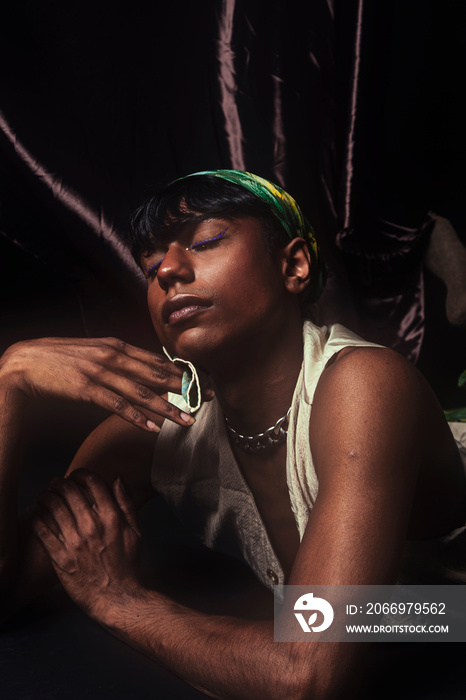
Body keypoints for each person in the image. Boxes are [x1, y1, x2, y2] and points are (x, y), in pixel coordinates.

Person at [0, 170, 465, 700]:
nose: (169, 270)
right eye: (150, 264)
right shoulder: (156, 430)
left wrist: (123, 602)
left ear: (293, 265)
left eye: (206, 241)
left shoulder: (364, 385)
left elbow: (305, 676)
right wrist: (10, 383)